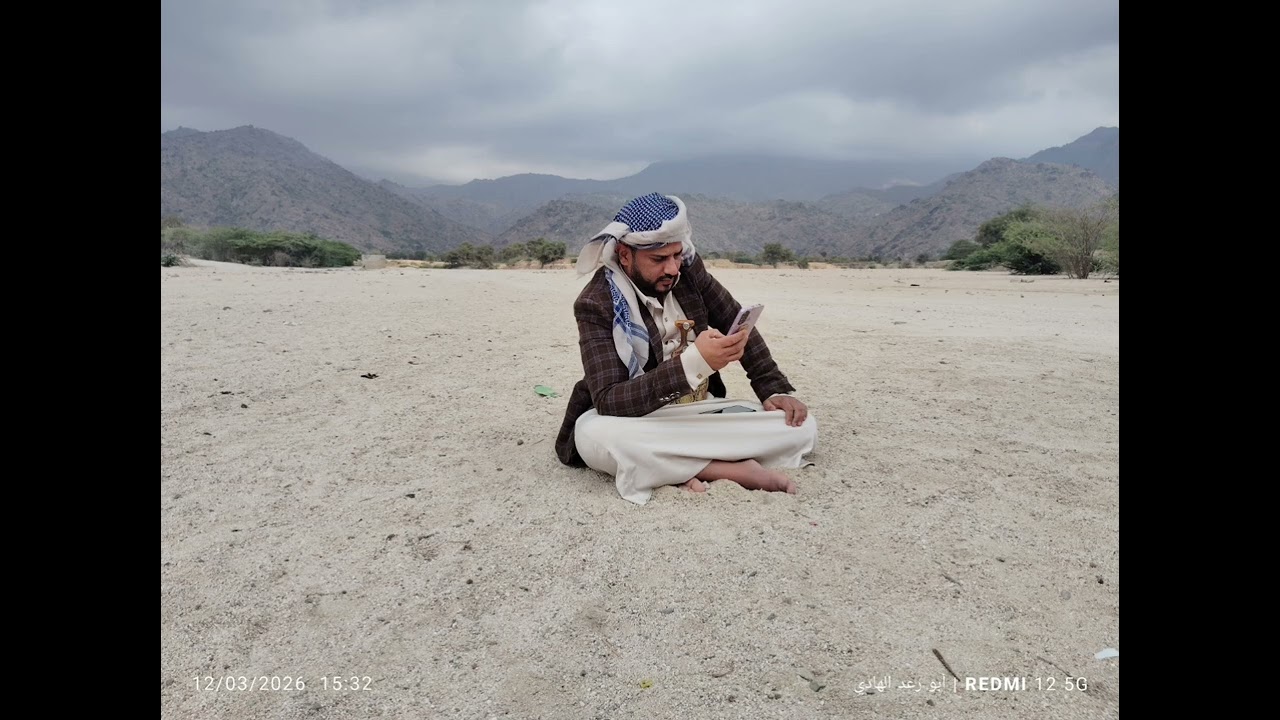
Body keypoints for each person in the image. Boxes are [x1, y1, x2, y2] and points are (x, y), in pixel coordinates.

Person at [554, 192, 818, 504]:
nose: (672, 269)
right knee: (593, 435)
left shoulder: (689, 274)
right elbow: (609, 400)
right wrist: (696, 363)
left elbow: (736, 320)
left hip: (699, 411)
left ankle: (674, 465)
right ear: (624, 255)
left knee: (801, 426)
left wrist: (772, 389)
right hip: (636, 420)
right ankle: (726, 468)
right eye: (659, 259)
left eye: (677, 255)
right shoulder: (595, 302)